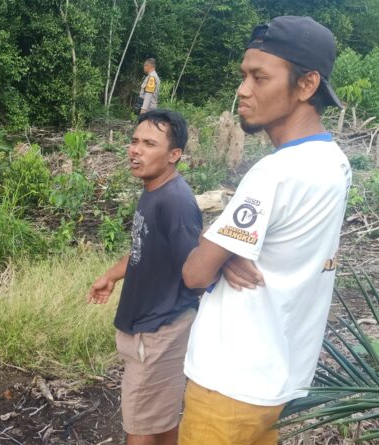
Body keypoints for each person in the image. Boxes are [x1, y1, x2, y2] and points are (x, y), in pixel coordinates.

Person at [180, 16, 351, 445]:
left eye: (260, 77)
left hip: (228, 384)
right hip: (277, 381)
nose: (243, 89)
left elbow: (195, 273)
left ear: (307, 84)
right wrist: (230, 251)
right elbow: (286, 246)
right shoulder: (335, 162)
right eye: (244, 75)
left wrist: (218, 253)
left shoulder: (274, 172)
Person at [89, 109, 202, 445]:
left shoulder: (176, 202)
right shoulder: (154, 191)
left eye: (149, 143)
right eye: (135, 141)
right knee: (160, 417)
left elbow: (196, 271)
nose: (135, 149)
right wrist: (111, 276)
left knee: (139, 425)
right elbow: (144, 249)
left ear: (174, 155)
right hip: (150, 329)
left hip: (157, 331)